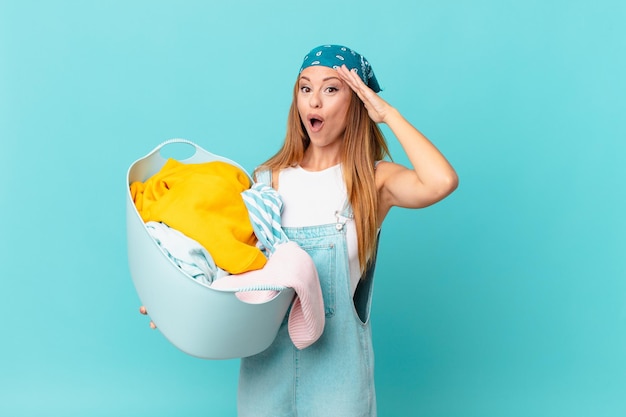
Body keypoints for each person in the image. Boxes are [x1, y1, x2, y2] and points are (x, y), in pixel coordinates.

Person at [142, 44, 458, 416]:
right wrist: (174, 299)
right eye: (305, 88)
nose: (315, 102)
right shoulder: (266, 180)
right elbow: (229, 268)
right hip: (265, 372)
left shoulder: (373, 181)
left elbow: (441, 181)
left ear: (356, 101)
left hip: (339, 381)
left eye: (331, 89)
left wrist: (387, 114)